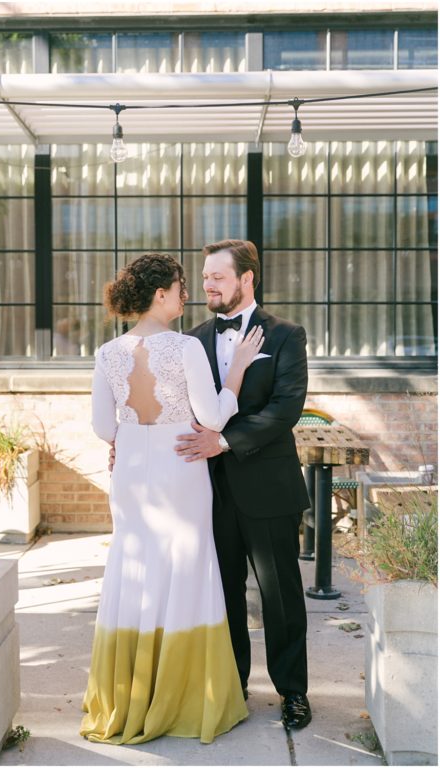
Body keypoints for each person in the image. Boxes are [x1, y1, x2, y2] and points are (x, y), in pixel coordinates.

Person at [82, 253, 263, 745]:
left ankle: (130, 695)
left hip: (133, 474)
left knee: (133, 570)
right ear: (159, 294)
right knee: (185, 571)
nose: (188, 295)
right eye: (182, 287)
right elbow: (214, 418)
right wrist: (238, 373)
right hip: (181, 467)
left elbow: (103, 427)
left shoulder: (107, 352)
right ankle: (184, 696)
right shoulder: (184, 348)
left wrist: (128, 437)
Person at [175, 239, 313, 731]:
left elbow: (285, 409)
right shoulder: (190, 340)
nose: (207, 285)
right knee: (223, 593)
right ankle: (232, 687)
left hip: (269, 487)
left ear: (247, 279)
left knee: (280, 595)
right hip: (207, 491)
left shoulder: (285, 336)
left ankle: (293, 691)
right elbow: (178, 410)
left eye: (217, 277)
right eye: (205, 277)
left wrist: (225, 442)